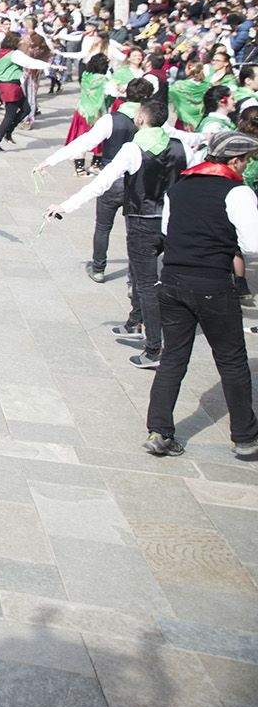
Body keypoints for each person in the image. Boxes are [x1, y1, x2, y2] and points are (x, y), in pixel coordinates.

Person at [46, 99, 203, 370]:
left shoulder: (133, 148)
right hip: (171, 221)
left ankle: (154, 347)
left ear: (142, 118)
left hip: (142, 221)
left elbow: (102, 182)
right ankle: (136, 321)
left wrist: (65, 207)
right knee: (151, 278)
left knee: (146, 283)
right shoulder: (180, 146)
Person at [141, 130, 258, 459]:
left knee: (173, 359)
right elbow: (253, 245)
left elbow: (166, 231)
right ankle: (245, 436)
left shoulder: (179, 186)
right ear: (234, 161)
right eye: (245, 160)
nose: (246, 166)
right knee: (232, 361)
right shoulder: (237, 192)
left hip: (173, 281)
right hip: (211, 285)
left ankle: (159, 431)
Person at [35, 77, 158, 283]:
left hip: (111, 180)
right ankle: (132, 279)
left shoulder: (112, 119)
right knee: (133, 232)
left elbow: (84, 142)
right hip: (138, 183)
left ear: (126, 94)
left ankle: (99, 268)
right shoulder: (154, 124)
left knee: (103, 226)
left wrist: (50, 161)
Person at [0, 32, 57, 152]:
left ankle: (7, 132)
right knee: (10, 115)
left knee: (26, 109)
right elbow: (30, 62)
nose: (22, 44)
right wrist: (50, 66)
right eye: (20, 42)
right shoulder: (14, 54)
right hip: (11, 86)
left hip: (5, 85)